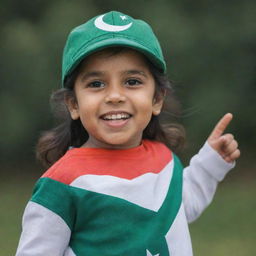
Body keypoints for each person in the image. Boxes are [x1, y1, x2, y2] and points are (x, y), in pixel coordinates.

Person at [16, 11, 240, 256]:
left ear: (156, 99)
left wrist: (210, 165)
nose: (115, 96)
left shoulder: (164, 159)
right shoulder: (62, 184)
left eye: (132, 81)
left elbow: (183, 208)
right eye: (96, 84)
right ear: (74, 105)